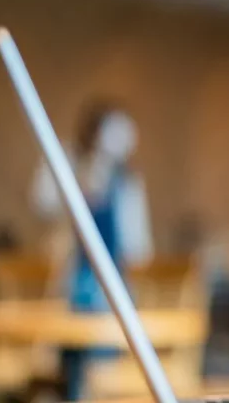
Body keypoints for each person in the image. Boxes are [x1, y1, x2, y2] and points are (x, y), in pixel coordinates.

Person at [32, 100, 153, 311]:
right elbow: (42, 200)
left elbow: (138, 243)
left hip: (116, 278)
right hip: (73, 273)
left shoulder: (126, 180)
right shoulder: (68, 159)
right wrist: (80, 186)